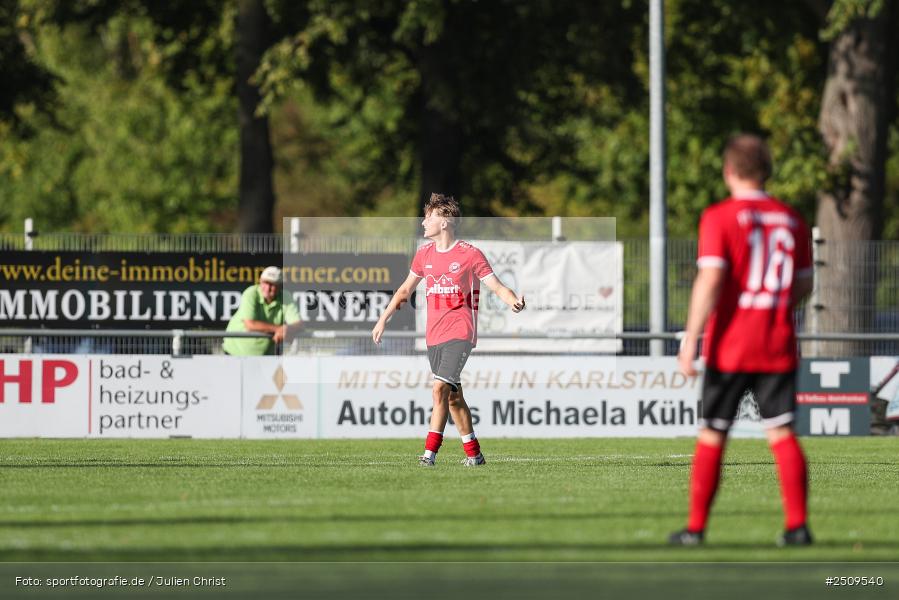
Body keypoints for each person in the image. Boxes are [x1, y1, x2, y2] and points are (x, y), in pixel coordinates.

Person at [671, 134, 814, 546]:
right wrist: (774, 305)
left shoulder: (719, 216)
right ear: (766, 170)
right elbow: (805, 282)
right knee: (783, 433)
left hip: (730, 345)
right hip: (777, 341)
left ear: (728, 171)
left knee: (713, 433)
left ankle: (696, 529)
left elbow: (712, 278)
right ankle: (798, 527)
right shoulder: (791, 217)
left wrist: (690, 339)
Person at [372, 193, 526, 467]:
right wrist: (383, 318)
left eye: (428, 217)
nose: (423, 222)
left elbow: (497, 286)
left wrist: (512, 300)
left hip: (460, 332)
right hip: (435, 335)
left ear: (444, 222)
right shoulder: (424, 255)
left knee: (439, 389)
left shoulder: (469, 254)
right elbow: (406, 289)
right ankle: (474, 455)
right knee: (454, 398)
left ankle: (428, 455)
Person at [223, 266, 302, 356]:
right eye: (265, 283)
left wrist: (288, 329)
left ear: (280, 286)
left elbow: (298, 323)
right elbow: (250, 324)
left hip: (266, 356)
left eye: (272, 284)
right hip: (235, 353)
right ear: (260, 281)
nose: (268, 288)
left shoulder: (286, 296)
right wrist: (280, 329)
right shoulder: (251, 293)